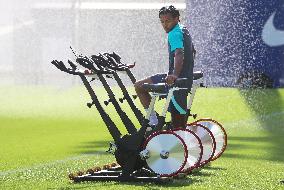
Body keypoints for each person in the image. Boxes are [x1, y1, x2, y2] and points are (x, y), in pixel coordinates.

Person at [134, 5, 195, 129]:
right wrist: (186, 70)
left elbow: (179, 53)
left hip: (176, 80)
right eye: (162, 21)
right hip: (184, 78)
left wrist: (175, 75)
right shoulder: (183, 29)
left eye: (168, 21)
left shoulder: (174, 33)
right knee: (139, 85)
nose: (164, 25)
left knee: (139, 87)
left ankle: (154, 123)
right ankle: (155, 122)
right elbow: (193, 51)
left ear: (177, 18)